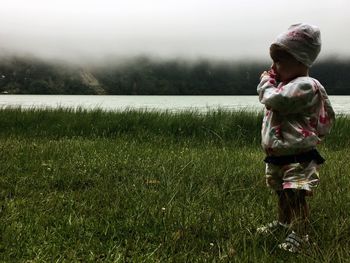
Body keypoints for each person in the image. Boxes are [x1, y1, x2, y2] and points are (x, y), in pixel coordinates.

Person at [256, 23, 335, 253]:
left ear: (301, 61)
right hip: (280, 154)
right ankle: (283, 224)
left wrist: (266, 82)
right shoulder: (287, 84)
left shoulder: (305, 86)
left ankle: (301, 234)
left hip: (298, 155)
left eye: (279, 62)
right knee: (282, 192)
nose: (273, 67)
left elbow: (275, 100)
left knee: (296, 194)